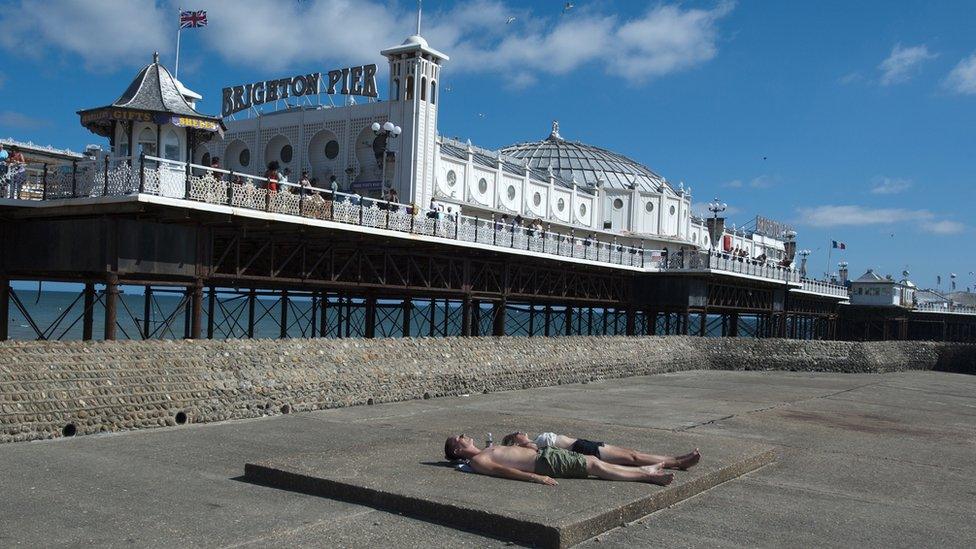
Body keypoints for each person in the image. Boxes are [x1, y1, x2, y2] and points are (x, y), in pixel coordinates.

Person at [444, 434, 674, 486]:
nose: (464, 436)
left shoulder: (488, 448)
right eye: (459, 438)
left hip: (545, 455)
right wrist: (536, 477)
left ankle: (646, 468)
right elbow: (502, 471)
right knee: (594, 466)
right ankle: (649, 477)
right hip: (544, 464)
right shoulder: (478, 461)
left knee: (593, 461)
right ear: (456, 450)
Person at [501, 432, 700, 470]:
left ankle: (676, 459)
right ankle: (679, 463)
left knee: (633, 453)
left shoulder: (533, 441)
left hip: (584, 443)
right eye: (518, 433)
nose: (522, 432)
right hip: (581, 449)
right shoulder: (530, 446)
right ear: (514, 442)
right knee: (633, 457)